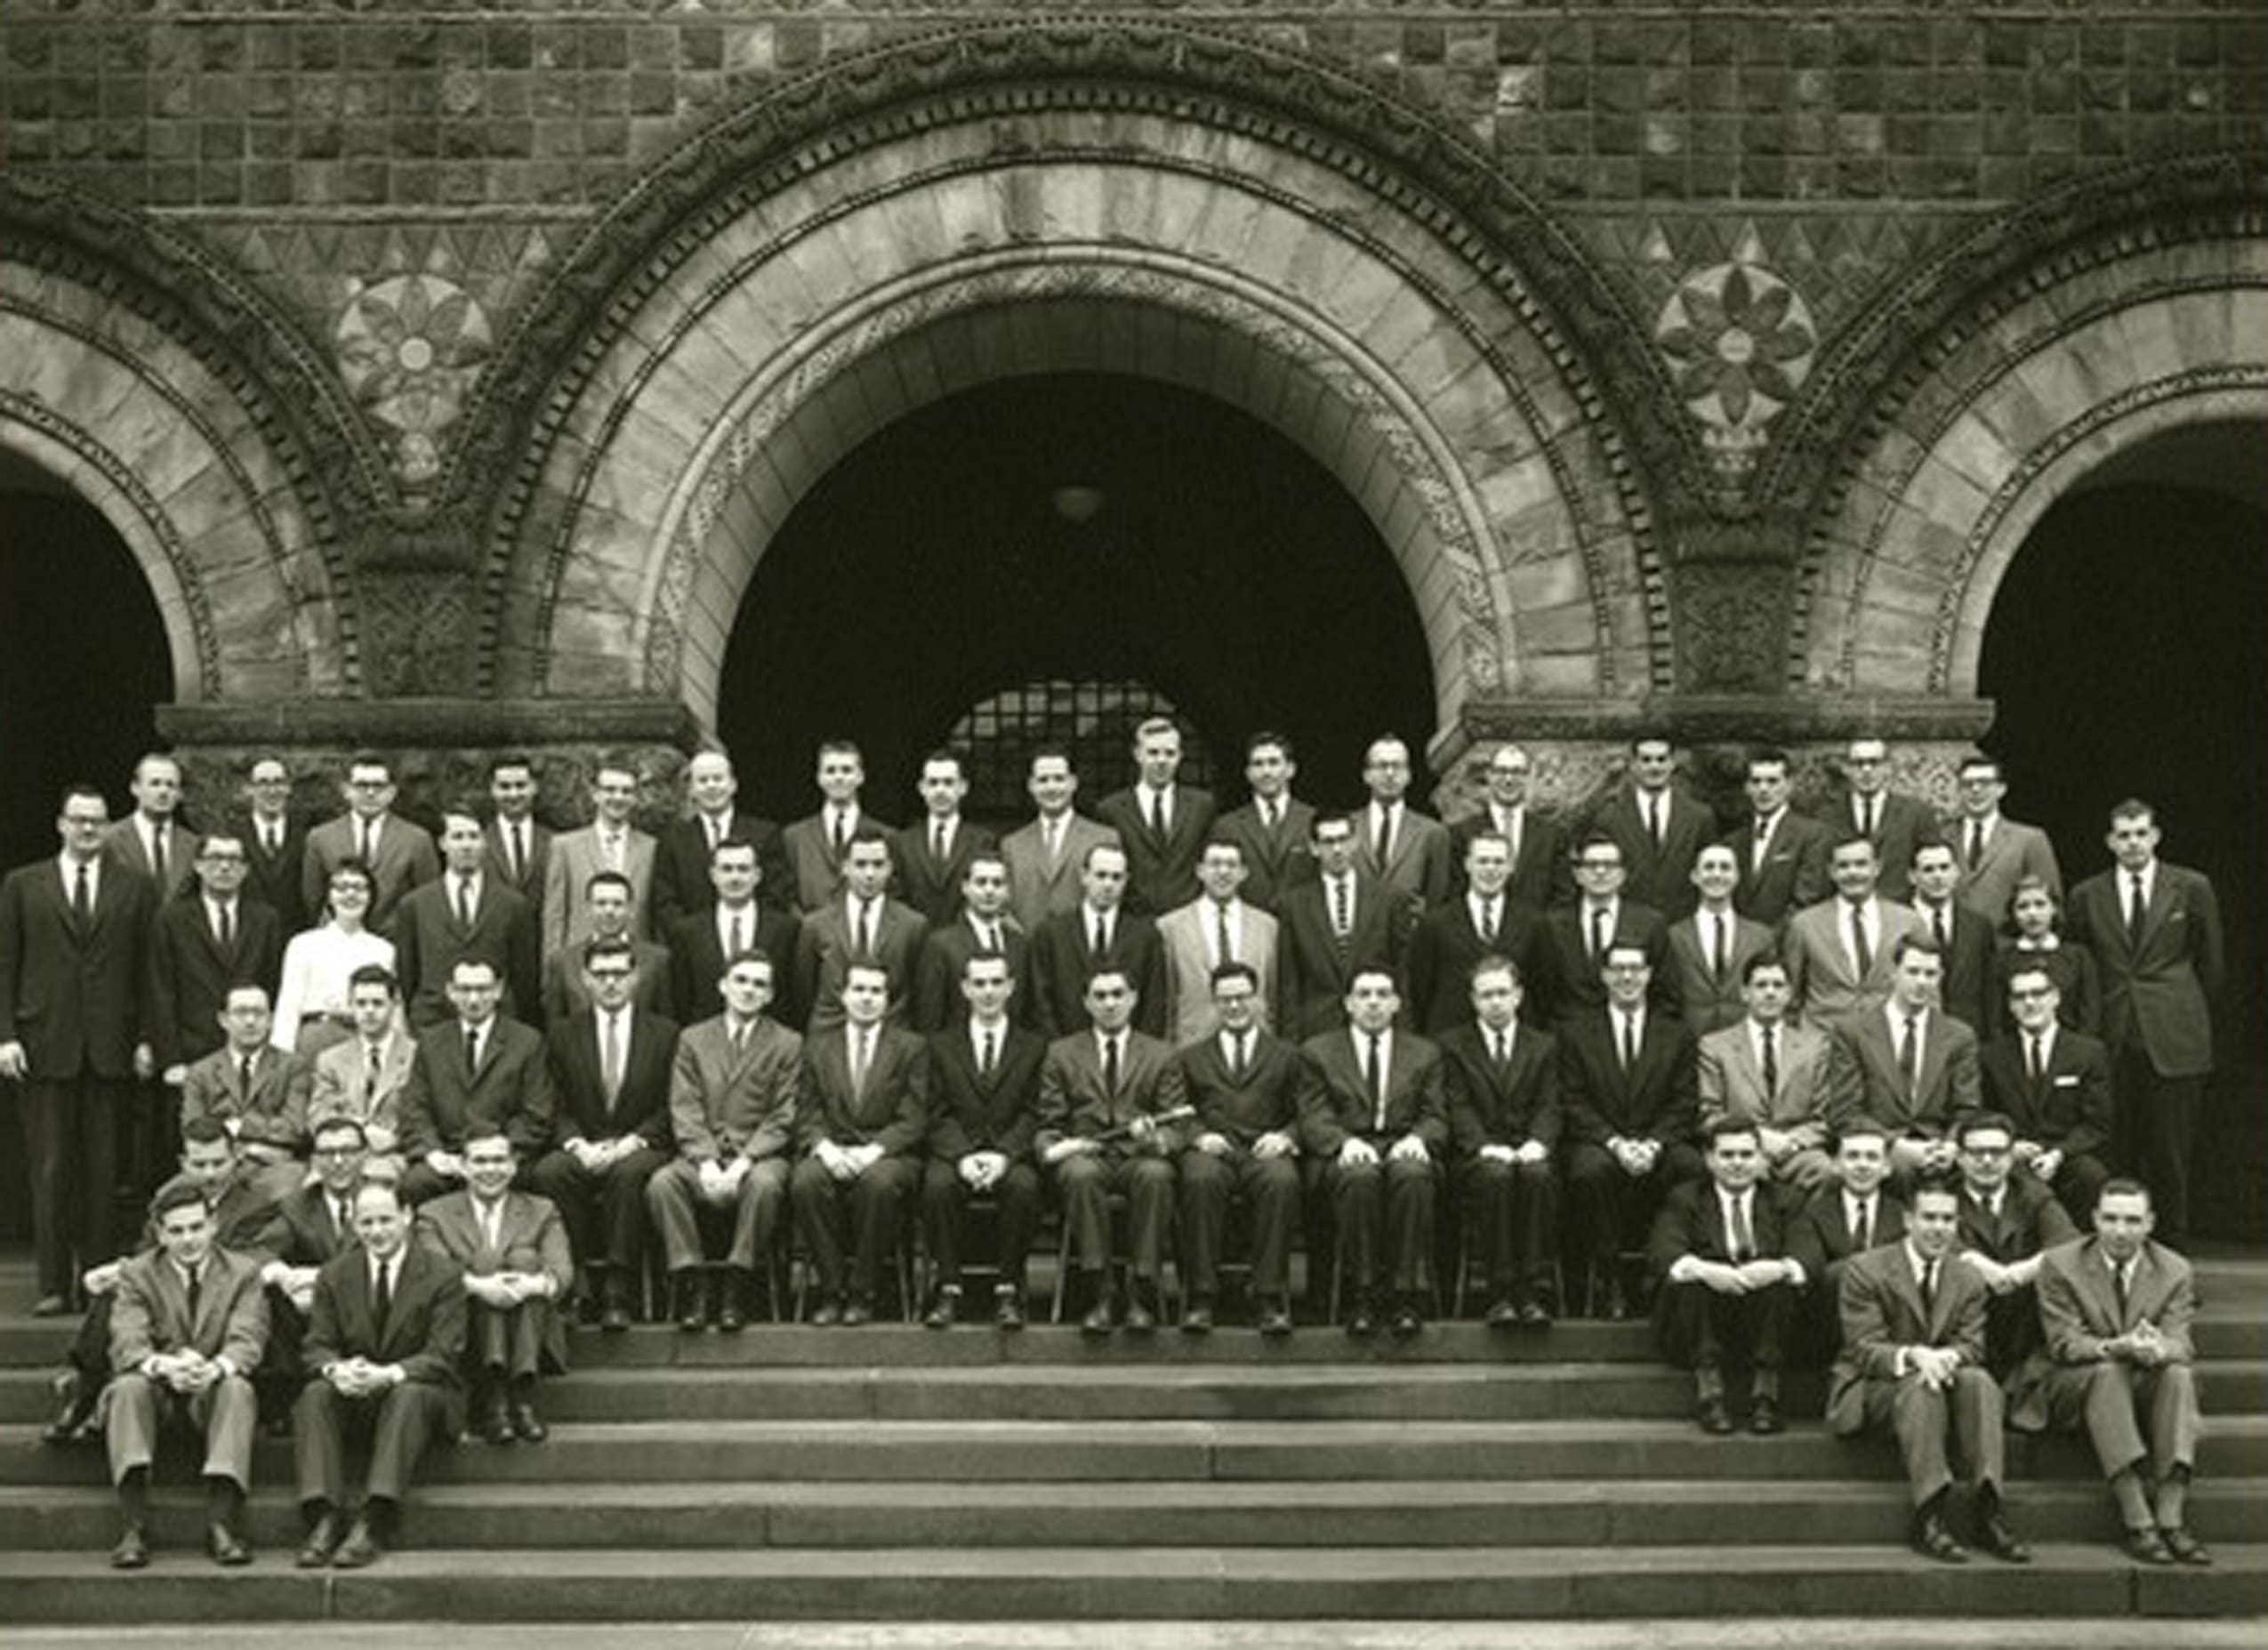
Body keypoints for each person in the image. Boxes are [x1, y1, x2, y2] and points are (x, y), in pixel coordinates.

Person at [0, 784, 157, 1313]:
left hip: (110, 1045)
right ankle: (51, 1285)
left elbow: (146, 971)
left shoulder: (134, 887)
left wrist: (144, 1038)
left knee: (102, 1170)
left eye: (97, 820)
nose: (89, 829)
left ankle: (95, 1280)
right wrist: (5, 1036)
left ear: (108, 826)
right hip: (45, 1042)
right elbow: (6, 965)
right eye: (79, 820)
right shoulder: (23, 885)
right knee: (50, 1168)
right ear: (61, 825)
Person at [2007, 1179, 2209, 1567]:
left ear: (2150, 1224)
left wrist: (2157, 1349)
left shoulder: (2174, 1269)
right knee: (2108, 1371)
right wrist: (2118, 1346)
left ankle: (2171, 1518)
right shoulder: (2060, 1264)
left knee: (2178, 1375)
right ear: (2095, 1220)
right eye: (2111, 1219)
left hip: (2140, 1375)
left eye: (2132, 1221)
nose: (2120, 1231)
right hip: (2072, 1382)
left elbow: (2181, 1344)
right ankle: (2137, 1518)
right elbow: (2064, 1344)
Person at [1829, 1178, 2030, 1565]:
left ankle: (1988, 1508)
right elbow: (1863, 1347)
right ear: (1908, 1221)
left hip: (1946, 1380)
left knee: (1981, 1381)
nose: (1939, 1228)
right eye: (1929, 1217)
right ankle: (1929, 1513)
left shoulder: (1968, 1277)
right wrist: (1915, 1356)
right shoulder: (1866, 1269)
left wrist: (1947, 1359)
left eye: (1948, 1219)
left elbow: (1973, 1345)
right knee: (1922, 1386)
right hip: (1877, 1386)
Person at [2065, 799, 2224, 1248]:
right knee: (2115, 1154)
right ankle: (2111, 1261)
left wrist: (2180, 1011)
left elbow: (2211, 966)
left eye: (2140, 833)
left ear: (2155, 836)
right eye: (2123, 835)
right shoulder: (2086, 894)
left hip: (2174, 1039)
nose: (2132, 843)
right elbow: (2080, 966)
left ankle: (2172, 1263)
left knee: (2170, 1157)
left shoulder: (2191, 887)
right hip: (2110, 1039)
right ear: (2110, 841)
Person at [293, 1179, 466, 1570]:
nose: (377, 1231)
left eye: (386, 1220)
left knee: (409, 1394)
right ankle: (324, 1514)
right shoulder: (335, 1275)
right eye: (366, 1222)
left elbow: (443, 1356)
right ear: (354, 1224)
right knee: (315, 1394)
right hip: (359, 1393)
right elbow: (316, 1345)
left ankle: (375, 1516)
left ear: (407, 1216)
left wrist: (388, 1374)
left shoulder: (443, 1274)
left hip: (423, 1395)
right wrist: (337, 1370)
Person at [101, 1179, 268, 1569]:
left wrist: (214, 1369)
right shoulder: (138, 1274)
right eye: (176, 1231)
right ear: (160, 1233)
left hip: (211, 1393)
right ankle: (134, 1524)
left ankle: (222, 1523)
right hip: (158, 1392)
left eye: (196, 1227)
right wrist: (165, 1365)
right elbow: (127, 1339)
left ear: (213, 1224)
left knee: (238, 1387)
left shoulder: (243, 1273)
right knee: (127, 1387)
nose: (188, 1239)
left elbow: (248, 1338)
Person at [646, 951, 802, 1331]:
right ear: (723, 986)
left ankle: (738, 1280)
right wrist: (707, 1161)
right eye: (742, 981)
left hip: (759, 1157)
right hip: (705, 1155)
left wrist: (745, 1162)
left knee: (765, 1186)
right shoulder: (693, 1039)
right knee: (663, 1184)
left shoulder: (787, 1042)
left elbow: (783, 1115)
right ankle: (692, 1281)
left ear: (769, 995)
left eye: (759, 984)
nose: (749, 990)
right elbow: (684, 1106)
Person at [528, 937, 680, 1330]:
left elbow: (671, 1106)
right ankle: (577, 1285)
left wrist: (631, 1142)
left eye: (619, 974)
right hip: (583, 1141)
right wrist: (577, 1144)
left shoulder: (665, 1034)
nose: (611, 982)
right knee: (551, 1172)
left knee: (628, 1175)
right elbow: (553, 1103)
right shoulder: (562, 1034)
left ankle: (617, 1289)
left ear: (636, 978)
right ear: (585, 980)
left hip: (641, 1143)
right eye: (601, 975)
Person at [1035, 965, 1187, 1336]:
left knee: (1156, 1175)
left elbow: (1178, 1130)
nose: (1109, 1004)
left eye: (1118, 994)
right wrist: (1057, 1147)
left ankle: (1141, 1290)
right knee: (1080, 1174)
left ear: (1133, 999)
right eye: (1100, 996)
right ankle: (1100, 1289)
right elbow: (1048, 1123)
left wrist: (1154, 1139)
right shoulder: (1061, 1053)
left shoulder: (1161, 1054)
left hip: (1139, 1157)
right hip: (1087, 1155)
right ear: (1086, 1003)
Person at [1297, 967, 1446, 1339]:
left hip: (1402, 1142)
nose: (1374, 1003)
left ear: (1396, 1003)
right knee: (1360, 1176)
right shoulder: (1317, 1052)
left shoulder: (1425, 1053)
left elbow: (1436, 1116)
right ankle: (1361, 1294)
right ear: (1348, 1004)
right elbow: (1313, 1116)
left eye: (1382, 994)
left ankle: (1406, 1294)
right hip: (1344, 1149)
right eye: (1364, 995)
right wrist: (1343, 1142)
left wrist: (1419, 1139)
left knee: (1412, 1174)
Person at [1557, 940, 1701, 1319]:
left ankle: (1666, 1274)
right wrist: (1616, 1143)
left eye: (1635, 969)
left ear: (1649, 975)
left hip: (1659, 1138)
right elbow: (1572, 1100)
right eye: (1618, 969)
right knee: (1590, 1171)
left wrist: (1654, 1144)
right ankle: (1610, 1279)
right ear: (1604, 976)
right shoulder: (1575, 1034)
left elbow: (1684, 1102)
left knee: (1690, 1167)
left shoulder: (1676, 1034)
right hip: (1599, 1140)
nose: (1627, 977)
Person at [791, 962, 929, 1324]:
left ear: (888, 999)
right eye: (860, 990)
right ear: (843, 995)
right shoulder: (818, 1046)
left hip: (888, 1153)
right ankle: (831, 1289)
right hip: (833, 1147)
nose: (867, 999)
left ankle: (864, 1290)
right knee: (806, 1181)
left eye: (876, 991)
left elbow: (915, 1116)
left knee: (878, 1183)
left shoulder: (911, 1047)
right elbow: (807, 1110)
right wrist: (825, 1149)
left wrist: (872, 1151)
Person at [1176, 962, 1307, 1337]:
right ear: (1214, 1004)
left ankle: (1269, 1297)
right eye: (1225, 1000)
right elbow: (1179, 1112)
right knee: (1199, 1179)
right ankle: (1201, 1296)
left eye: (1242, 998)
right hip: (1214, 1150)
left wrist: (1286, 1136)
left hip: (1262, 1151)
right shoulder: (1191, 1056)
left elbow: (1306, 1113)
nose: (1234, 1007)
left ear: (1258, 1000)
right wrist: (1199, 1136)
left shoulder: (1287, 1056)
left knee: (1281, 1181)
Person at [417, 1129, 573, 1445]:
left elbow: (561, 1272)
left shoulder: (542, 1209)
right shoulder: (433, 1213)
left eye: (499, 1160)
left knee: (526, 1260)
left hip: (531, 1322)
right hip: (465, 1330)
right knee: (487, 1260)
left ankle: (513, 1396)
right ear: (463, 1167)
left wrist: (528, 1285)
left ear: (514, 1166)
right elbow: (433, 1275)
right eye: (480, 1161)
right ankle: (504, 1395)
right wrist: (481, 1287)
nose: (491, 1169)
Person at [1649, 1118, 1803, 1435]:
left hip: (1762, 1319)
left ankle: (1766, 1396)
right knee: (1691, 1281)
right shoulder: (1686, 1198)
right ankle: (1711, 1394)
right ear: (1709, 1159)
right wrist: (1707, 1270)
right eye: (1728, 1155)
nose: (1737, 1163)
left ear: (1762, 1158)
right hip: (1702, 1321)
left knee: (1781, 1284)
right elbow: (1664, 1249)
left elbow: (1807, 1250)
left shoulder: (1784, 1199)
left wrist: (1779, 1267)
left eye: (1746, 1155)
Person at [921, 951, 1046, 1329]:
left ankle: (1008, 1289)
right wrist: (961, 1155)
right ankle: (948, 1288)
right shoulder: (940, 1045)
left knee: (1024, 1188)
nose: (988, 991)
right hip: (956, 1151)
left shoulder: (1034, 1046)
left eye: (996, 983)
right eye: (979, 983)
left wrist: (1005, 1155)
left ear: (1010, 987)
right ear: (964, 988)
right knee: (937, 1187)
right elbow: (935, 1111)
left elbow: (1035, 1112)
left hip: (1011, 1152)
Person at [1439, 955, 1560, 1325]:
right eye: (1486, 994)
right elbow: (1456, 1104)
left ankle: (1534, 1289)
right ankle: (1500, 1290)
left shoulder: (1543, 1045)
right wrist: (1482, 1145)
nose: (1495, 1002)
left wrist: (1538, 1141)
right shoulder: (1452, 1045)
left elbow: (1550, 1102)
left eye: (1502, 993)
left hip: (1528, 1148)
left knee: (1538, 1176)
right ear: (1474, 1000)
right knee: (1495, 1177)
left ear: (1518, 996)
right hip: (1477, 1154)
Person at [396, 957, 555, 1205]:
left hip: (503, 1156)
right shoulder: (431, 1042)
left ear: (498, 991)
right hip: (448, 1157)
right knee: (417, 1183)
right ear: (450, 992)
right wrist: (433, 1153)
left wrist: (495, 1154)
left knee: (544, 1177)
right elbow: (415, 1108)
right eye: (464, 989)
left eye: (482, 989)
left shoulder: (526, 1042)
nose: (473, 999)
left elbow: (536, 1112)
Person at [1823, 935, 1979, 1179]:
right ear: (1893, 973)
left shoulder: (1958, 1036)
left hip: (1938, 1152)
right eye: (1913, 972)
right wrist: (1895, 1146)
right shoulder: (1853, 1032)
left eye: (1930, 974)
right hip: (1877, 1151)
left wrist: (1950, 1146)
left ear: (1940, 978)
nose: (1921, 982)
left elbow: (1967, 1108)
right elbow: (1845, 1112)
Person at [256, 1116, 372, 1428]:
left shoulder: (384, 1200)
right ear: (314, 1160)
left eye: (348, 1151)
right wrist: (283, 1273)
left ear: (365, 1155)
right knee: (273, 1295)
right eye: (327, 1153)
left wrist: (319, 1279)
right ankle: (289, 1398)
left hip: (372, 1309)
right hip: (314, 1317)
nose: (338, 1162)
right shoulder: (298, 1205)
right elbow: (260, 1251)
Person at [1980, 963, 2114, 1223]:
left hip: (2066, 1158)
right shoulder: (1992, 1056)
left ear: (2055, 997)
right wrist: (2009, 1147)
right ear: (2010, 1005)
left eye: (2038, 993)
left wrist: (2058, 1154)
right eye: (2020, 996)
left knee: (2091, 1176)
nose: (2029, 1003)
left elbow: (2097, 1124)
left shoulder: (2088, 1053)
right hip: (2012, 1157)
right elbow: (1984, 1113)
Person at [148, 832, 284, 1088]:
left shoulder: (266, 920)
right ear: (198, 865)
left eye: (234, 859)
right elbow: (160, 991)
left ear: (245, 869)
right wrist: (171, 1059)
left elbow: (274, 985)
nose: (224, 866)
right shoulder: (171, 920)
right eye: (216, 858)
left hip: (251, 1052)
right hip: (191, 1057)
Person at [1951, 1109, 2078, 1380]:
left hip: (2024, 1317)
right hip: (1964, 1318)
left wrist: (2019, 1273)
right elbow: (1932, 1242)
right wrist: (1980, 1265)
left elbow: (2067, 1242)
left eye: (1997, 1152)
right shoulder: (1943, 1196)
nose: (1987, 1161)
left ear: (2011, 1157)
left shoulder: (2032, 1193)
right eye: (1977, 1152)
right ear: (1960, 1158)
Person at [1696, 953, 1835, 1198]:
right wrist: (1758, 1139)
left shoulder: (1815, 1046)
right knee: (1743, 1170)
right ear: (1744, 993)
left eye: (1778, 985)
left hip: (1798, 1152)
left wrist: (1792, 1142)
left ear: (1789, 994)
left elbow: (1824, 1114)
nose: (1770, 993)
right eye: (1761, 985)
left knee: (1824, 1169)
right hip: (1741, 1149)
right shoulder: (1715, 1046)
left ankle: (1809, 1236)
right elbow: (1709, 1113)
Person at [394, 803, 542, 1029]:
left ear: (485, 843)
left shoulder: (513, 904)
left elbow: (523, 978)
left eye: (473, 837)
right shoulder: (415, 904)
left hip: (498, 1023)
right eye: (458, 837)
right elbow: (408, 975)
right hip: (433, 1023)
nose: (466, 845)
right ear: (442, 843)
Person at [1785, 1119, 1908, 1364]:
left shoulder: (1904, 1216)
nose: (1862, 1165)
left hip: (1891, 1330)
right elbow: (1809, 1260)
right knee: (1836, 1273)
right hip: (1830, 1332)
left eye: (1872, 1157)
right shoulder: (1813, 1212)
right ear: (1836, 1165)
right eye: (1853, 1156)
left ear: (1887, 1168)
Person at [179, 984, 312, 1203]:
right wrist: (251, 1149)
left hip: (275, 1170)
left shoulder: (293, 1067)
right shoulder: (200, 1072)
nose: (250, 1021)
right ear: (223, 1019)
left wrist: (241, 1126)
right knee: (167, 1199)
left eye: (259, 1013)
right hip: (214, 1168)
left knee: (291, 1191)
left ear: (270, 1020)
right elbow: (193, 1129)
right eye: (241, 1013)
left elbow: (294, 1129)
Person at [1403, 830, 1543, 1036]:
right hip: (1448, 1039)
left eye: (1498, 862)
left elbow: (1540, 988)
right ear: (1467, 864)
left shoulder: (1533, 923)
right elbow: (1420, 988)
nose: (1490, 869)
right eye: (1483, 861)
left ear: (1511, 867)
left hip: (1512, 1045)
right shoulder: (1434, 923)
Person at [1275, 810, 1400, 1043]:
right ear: (1314, 848)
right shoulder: (1294, 904)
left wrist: (1403, 1030)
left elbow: (1400, 968)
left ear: (1356, 842)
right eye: (1328, 842)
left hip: (1377, 1025)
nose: (1337, 849)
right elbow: (1289, 981)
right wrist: (1290, 1042)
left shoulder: (1387, 898)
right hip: (1317, 1028)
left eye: (1343, 839)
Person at [792, 828, 928, 1034]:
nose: (870, 874)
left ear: (890, 868)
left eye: (878, 865)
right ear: (845, 868)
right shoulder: (816, 924)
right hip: (828, 1035)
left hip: (891, 1037)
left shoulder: (912, 925)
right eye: (861, 864)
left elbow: (918, 991)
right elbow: (804, 991)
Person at [1026, 841, 1167, 1038]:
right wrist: (1061, 1052)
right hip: (1065, 1053)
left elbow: (1153, 1004)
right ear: (1084, 876)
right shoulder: (1051, 933)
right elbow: (1041, 1002)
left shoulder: (1145, 935)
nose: (1108, 884)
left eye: (1116, 877)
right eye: (1101, 875)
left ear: (1126, 880)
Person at [1781, 835, 1923, 1027]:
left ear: (1877, 868)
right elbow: (1790, 995)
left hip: (1888, 1040)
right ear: (1831, 872)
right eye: (1844, 866)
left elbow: (1926, 991)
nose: (1853, 872)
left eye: (1861, 864)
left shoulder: (1908, 921)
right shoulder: (1805, 924)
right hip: (1825, 1041)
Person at [1155, 837, 1280, 1045]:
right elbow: (1166, 1000)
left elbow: (1274, 995)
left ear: (1243, 873)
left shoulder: (1268, 927)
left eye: (1231, 865)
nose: (1223, 872)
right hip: (1192, 1047)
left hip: (1256, 1048)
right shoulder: (1170, 927)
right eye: (1214, 864)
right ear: (1199, 871)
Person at [299, 753, 440, 937]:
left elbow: (427, 902)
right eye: (361, 785)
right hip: (338, 945)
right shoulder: (320, 838)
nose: (370, 793)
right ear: (346, 790)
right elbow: (313, 900)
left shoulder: (417, 839)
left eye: (378, 786)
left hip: (397, 945)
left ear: (392, 792)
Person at [650, 747, 790, 929]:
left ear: (733, 785)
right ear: (691, 790)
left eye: (718, 778)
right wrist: (691, 939)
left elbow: (777, 894)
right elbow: (666, 900)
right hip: (691, 947)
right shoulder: (672, 839)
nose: (711, 786)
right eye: (703, 780)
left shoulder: (765, 834)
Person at [1534, 834, 1668, 1024]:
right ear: (1578, 875)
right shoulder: (1552, 925)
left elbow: (1664, 992)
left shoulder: (1650, 923)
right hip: (1567, 1038)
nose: (1600, 871)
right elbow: (1542, 994)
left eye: (1609, 864)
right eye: (1591, 865)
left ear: (1622, 874)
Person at [666, 836, 799, 1026]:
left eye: (743, 869)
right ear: (713, 875)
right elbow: (681, 999)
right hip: (705, 1042)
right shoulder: (687, 932)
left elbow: (793, 996)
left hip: (768, 1041)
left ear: (757, 875)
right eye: (727, 869)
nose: (735, 877)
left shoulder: (786, 929)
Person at [1092, 717, 1218, 917]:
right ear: (1137, 754)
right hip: (1133, 922)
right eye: (1153, 753)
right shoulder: (1111, 810)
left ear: (1180, 756)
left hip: (1189, 920)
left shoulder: (1202, 806)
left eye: (1169, 753)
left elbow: (1209, 864)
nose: (1161, 760)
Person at [272, 858, 398, 1057]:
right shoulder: (303, 944)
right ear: (329, 896)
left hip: (364, 1039)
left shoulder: (383, 950)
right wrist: (281, 1059)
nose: (350, 894)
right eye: (341, 887)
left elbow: (391, 1009)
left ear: (371, 896)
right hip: (316, 1038)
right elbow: (288, 1006)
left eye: (359, 888)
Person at [308, 963, 415, 1182]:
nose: (369, 1011)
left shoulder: (417, 1056)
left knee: (378, 1177)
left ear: (394, 1005)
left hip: (393, 1155)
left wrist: (395, 1139)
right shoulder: (330, 1059)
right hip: (341, 1154)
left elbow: (423, 1115)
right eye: (361, 1003)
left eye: (377, 1003)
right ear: (350, 1006)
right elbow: (318, 1115)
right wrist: (358, 1134)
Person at [542, 758, 657, 960]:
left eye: (626, 791)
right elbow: (555, 918)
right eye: (610, 790)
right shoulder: (565, 847)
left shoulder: (651, 848)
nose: (618, 797)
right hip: (578, 963)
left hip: (634, 962)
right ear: (595, 794)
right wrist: (552, 974)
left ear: (636, 798)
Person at [999, 746, 1119, 937]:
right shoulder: (1012, 845)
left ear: (1073, 783)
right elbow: (1002, 906)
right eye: (1043, 780)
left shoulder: (1104, 838)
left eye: (1059, 779)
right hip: (1029, 952)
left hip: (1083, 953)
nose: (1052, 787)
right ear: (1031, 786)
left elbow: (1114, 901)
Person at [1591, 735, 1714, 921]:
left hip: (1683, 926)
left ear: (1672, 763)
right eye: (1646, 760)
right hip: (1629, 924)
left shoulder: (1699, 817)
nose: (1654, 767)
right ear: (1633, 765)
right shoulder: (1609, 818)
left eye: (1661, 759)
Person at [910, 851, 1033, 1034]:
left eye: (997, 883)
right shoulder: (941, 944)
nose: (989, 890)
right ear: (965, 887)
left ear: (1008, 891)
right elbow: (930, 1016)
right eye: (981, 882)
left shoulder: (1020, 944)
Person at [1661, 843, 1775, 1034]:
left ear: (1737, 877)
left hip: (1744, 1043)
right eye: (1709, 867)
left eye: (1725, 867)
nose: (1716, 874)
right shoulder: (1673, 936)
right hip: (1689, 1039)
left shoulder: (1761, 936)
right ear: (1695, 877)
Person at [539, 868, 670, 1024]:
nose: (609, 911)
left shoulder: (657, 961)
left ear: (631, 909)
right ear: (588, 908)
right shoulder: (563, 963)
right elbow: (554, 1028)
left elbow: (666, 1024)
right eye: (601, 903)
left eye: (618, 904)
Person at [1450, 741, 1570, 910]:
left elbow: (1563, 899)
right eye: (1501, 771)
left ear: (1529, 777)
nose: (1508, 779)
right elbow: (1455, 896)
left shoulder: (1553, 836)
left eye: (1517, 772)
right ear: (1489, 775)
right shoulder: (1461, 833)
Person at [1819, 737, 1934, 905]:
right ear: (1846, 769)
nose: (1867, 770)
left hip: (1899, 914)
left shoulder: (1916, 813)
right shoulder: (1825, 815)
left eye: (1875, 763)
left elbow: (1929, 867)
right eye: (1858, 763)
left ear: (1888, 767)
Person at [1950, 754, 2063, 923]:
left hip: (2007, 945)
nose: (1975, 789)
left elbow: (2051, 902)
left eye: (1985, 783)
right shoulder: (1941, 835)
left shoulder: (2029, 839)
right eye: (1967, 784)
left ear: (2001, 789)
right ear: (1958, 790)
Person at [1727, 747, 1832, 927]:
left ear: (1789, 785)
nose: (1763, 789)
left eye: (1772, 781)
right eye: (1756, 781)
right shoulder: (1733, 842)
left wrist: (1766, 942)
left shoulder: (1813, 835)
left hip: (1787, 943)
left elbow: (1807, 898)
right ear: (1746, 788)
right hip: (1741, 948)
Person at [1213, 731, 1316, 913]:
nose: (1266, 771)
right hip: (1248, 929)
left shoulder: (1312, 820)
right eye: (1258, 764)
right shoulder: (1227, 826)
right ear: (1248, 773)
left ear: (1291, 769)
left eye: (1274, 763)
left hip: (1302, 927)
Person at [1353, 734, 1452, 924]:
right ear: (1367, 775)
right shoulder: (1347, 827)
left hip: (1411, 941)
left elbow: (1437, 900)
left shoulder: (1432, 832)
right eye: (1381, 766)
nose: (1390, 773)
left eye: (1397, 766)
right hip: (1357, 941)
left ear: (1409, 775)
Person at [890, 749, 996, 927]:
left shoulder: (984, 841)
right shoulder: (901, 843)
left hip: (964, 946)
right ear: (922, 788)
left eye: (948, 783)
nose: (940, 790)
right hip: (915, 945)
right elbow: (896, 900)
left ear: (963, 787)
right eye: (933, 783)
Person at [1989, 874, 2100, 1038]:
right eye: (2023, 907)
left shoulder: (2078, 957)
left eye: (2040, 904)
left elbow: (2091, 1015)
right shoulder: (2002, 960)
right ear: (2013, 913)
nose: (2032, 913)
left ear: (2054, 908)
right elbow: (1996, 1020)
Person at [780, 740, 881, 915]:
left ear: (861, 777)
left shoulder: (886, 836)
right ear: (819, 778)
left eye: (847, 770)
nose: (839, 777)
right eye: (831, 770)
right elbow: (786, 896)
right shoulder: (793, 837)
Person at [1906, 839, 1994, 1032]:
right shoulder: (1898, 923)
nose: (1938, 876)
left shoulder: (1979, 926)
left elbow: (1989, 991)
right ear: (1912, 876)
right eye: (1928, 869)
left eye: (1944, 868)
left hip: (1969, 1034)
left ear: (1956, 872)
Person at [104, 752, 203, 904]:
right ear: (135, 788)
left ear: (180, 794)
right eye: (155, 783)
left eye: (170, 785)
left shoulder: (193, 845)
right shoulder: (110, 839)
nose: (163, 792)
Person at [235, 755, 310, 936]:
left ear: (288, 788)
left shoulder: (307, 836)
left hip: (295, 937)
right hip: (247, 938)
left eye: (279, 782)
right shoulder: (233, 836)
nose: (271, 791)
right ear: (248, 789)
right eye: (263, 783)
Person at [481, 753, 552, 922]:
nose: (513, 794)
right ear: (492, 790)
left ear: (534, 787)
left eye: (520, 785)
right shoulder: (479, 842)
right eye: (504, 787)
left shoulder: (555, 842)